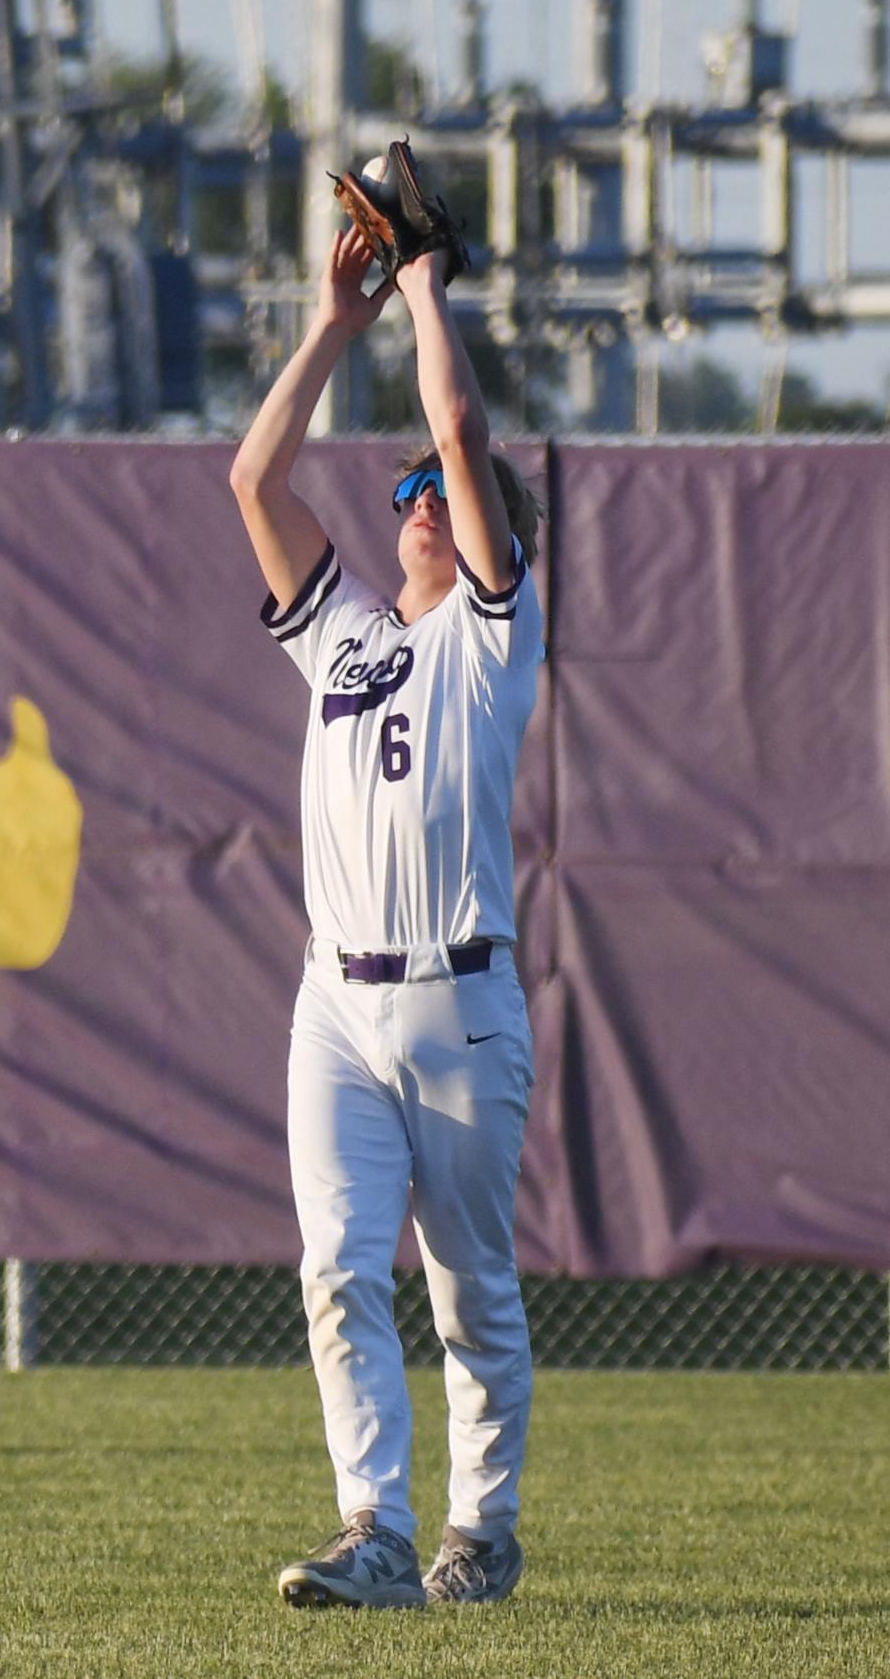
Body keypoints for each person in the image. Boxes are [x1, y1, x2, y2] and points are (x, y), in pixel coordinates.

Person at [229, 221, 544, 1609]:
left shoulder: (490, 637)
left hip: (461, 1001)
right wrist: (334, 326)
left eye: (442, 489)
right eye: (406, 483)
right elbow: (253, 475)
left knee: (468, 1288)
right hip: (335, 1007)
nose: (419, 491)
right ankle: (377, 1528)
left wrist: (423, 291)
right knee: (337, 1269)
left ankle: (484, 1530)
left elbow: (465, 425)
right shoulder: (346, 629)